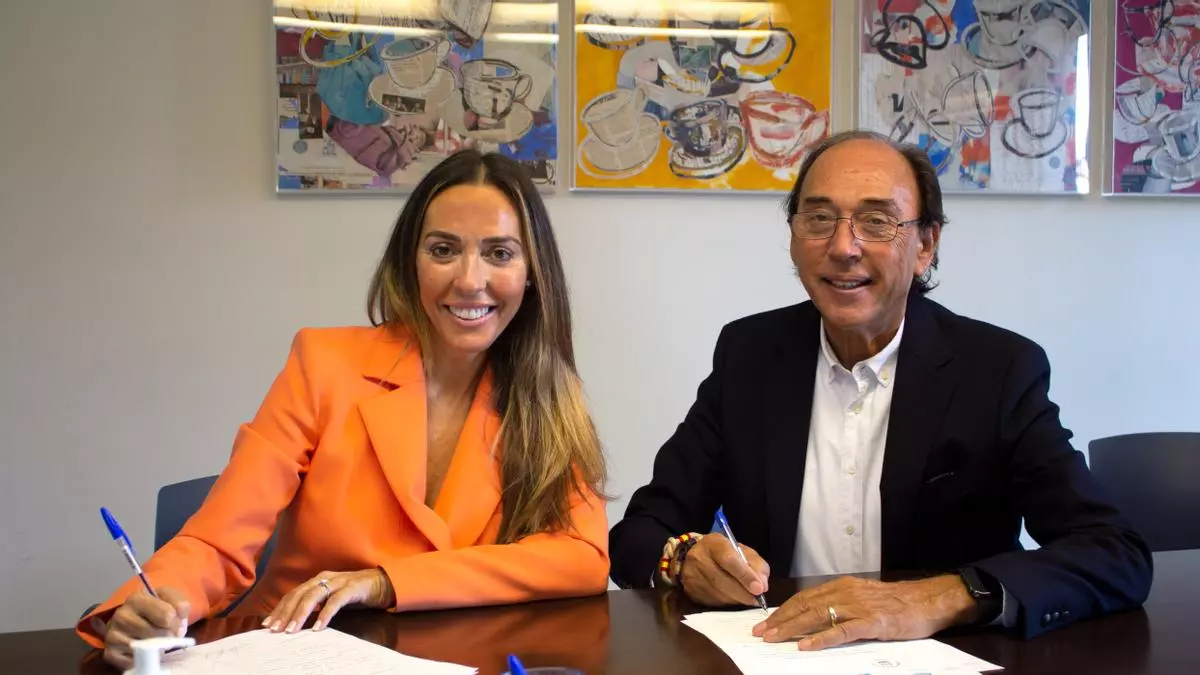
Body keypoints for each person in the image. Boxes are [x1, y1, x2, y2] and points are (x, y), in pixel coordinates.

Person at [609, 130, 1153, 648]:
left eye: (876, 221)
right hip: (778, 653)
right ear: (794, 237)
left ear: (925, 245)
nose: (843, 247)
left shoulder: (997, 369)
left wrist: (941, 597)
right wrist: (683, 560)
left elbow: (1112, 552)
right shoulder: (750, 355)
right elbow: (641, 531)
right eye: (819, 218)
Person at [79, 150, 610, 669]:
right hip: (298, 654)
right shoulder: (323, 363)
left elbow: (582, 556)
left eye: (500, 253)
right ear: (410, 263)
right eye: (444, 250)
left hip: (458, 658)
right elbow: (219, 540)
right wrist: (143, 609)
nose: (470, 280)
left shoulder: (547, 396)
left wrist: (386, 582)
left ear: (532, 272)